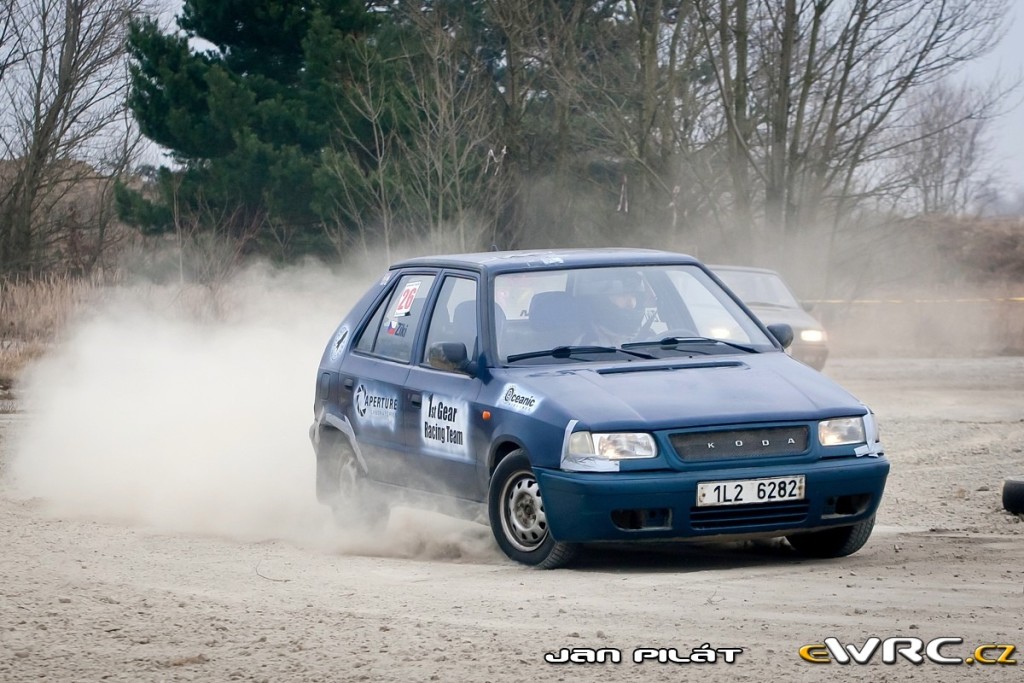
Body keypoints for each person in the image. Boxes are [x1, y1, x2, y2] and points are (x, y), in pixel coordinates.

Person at [577, 271, 653, 346]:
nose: (631, 304)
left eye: (633, 295)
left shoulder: (653, 339)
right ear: (603, 301)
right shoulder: (586, 346)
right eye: (622, 296)